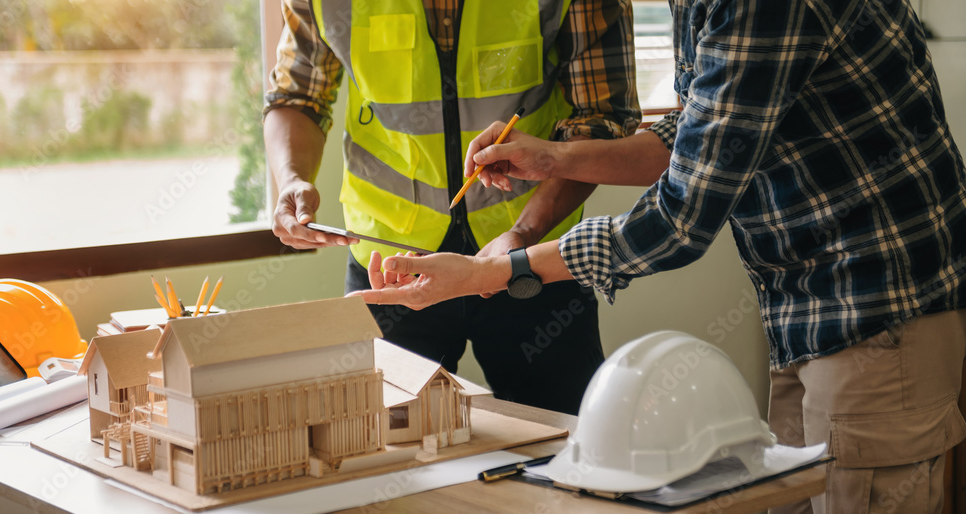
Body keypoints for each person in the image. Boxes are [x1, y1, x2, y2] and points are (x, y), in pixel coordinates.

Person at [350, 0, 966, 512]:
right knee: (796, 496)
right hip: (799, 309)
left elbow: (681, 220)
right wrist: (555, 159)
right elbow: (699, 130)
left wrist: (497, 270)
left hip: (881, 306)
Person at [263, 0, 641, 415]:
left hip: (532, 264)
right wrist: (293, 177)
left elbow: (601, 120)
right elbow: (297, 96)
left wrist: (524, 234)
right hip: (391, 267)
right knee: (381, 445)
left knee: (567, 446)